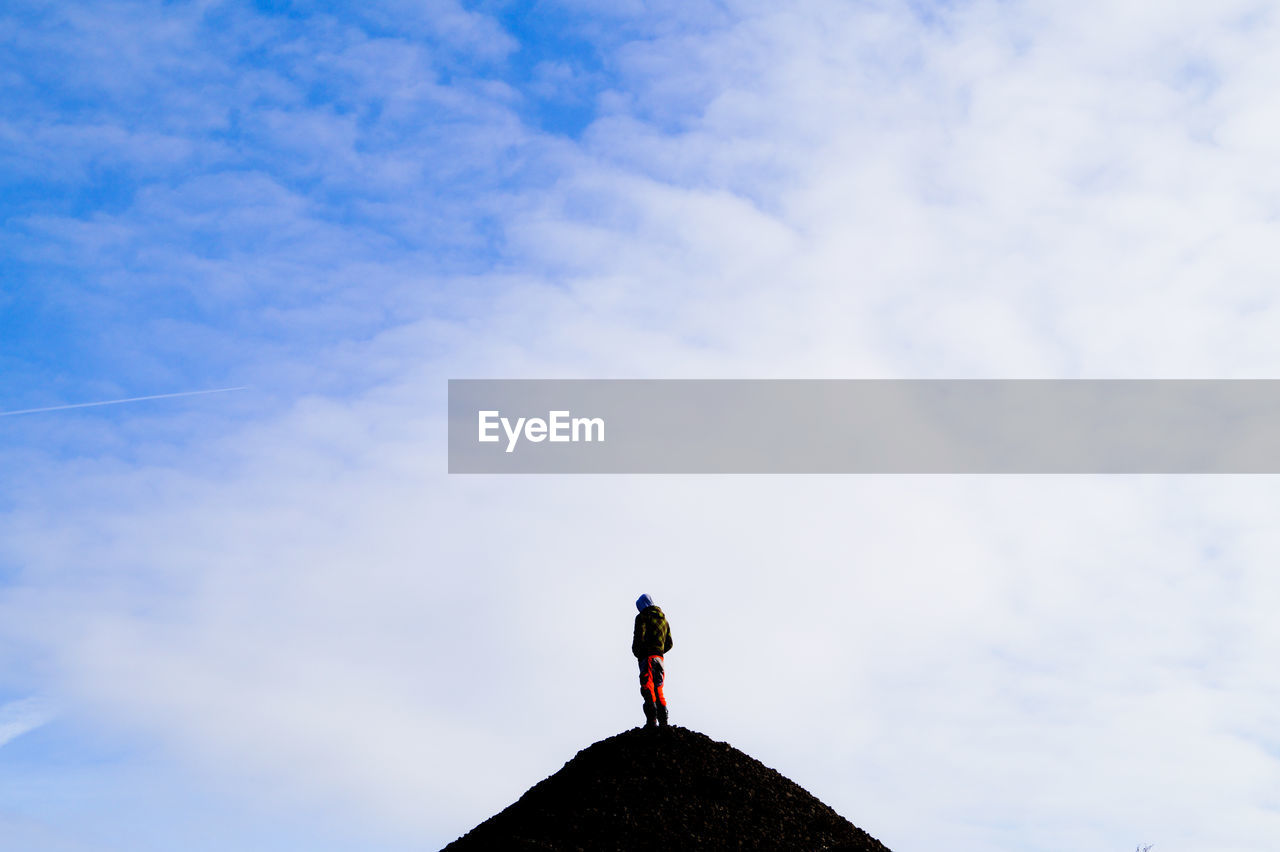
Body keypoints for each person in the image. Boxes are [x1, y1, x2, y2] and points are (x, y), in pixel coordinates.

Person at [632, 593, 673, 728]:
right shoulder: (664, 620)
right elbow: (670, 643)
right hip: (659, 658)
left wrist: (639, 653)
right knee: (658, 688)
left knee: (647, 687)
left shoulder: (642, 617)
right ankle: (664, 722)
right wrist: (659, 651)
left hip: (647, 657)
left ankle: (652, 722)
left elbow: (639, 638)